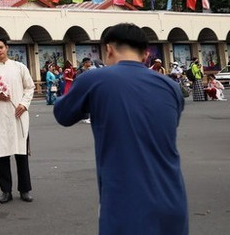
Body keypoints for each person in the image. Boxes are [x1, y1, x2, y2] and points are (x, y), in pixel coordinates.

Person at [54, 23, 188, 235]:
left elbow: (63, 114)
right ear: (145, 55)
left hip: (125, 204)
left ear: (108, 49)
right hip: (173, 201)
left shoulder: (94, 79)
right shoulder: (170, 86)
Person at [0, 38, 35, 203]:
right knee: (2, 154)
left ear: (7, 48)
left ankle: (25, 189)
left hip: (19, 115)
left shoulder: (19, 67)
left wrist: (24, 104)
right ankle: (5, 191)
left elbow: (29, 87)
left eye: (1, 47)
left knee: (21, 153)